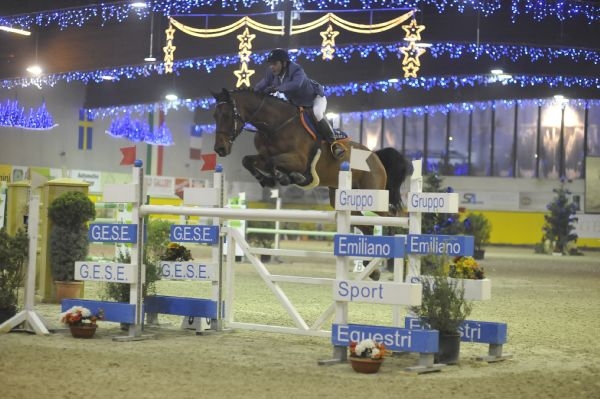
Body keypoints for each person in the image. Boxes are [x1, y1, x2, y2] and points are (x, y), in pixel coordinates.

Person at [254, 48, 346, 160]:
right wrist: (253, 93)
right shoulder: (271, 72)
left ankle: (334, 144)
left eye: (275, 64)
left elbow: (296, 85)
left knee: (317, 113)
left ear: (284, 63)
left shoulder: (297, 70)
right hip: (296, 103)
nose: (272, 67)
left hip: (314, 99)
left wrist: (276, 88)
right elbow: (262, 84)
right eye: (271, 64)